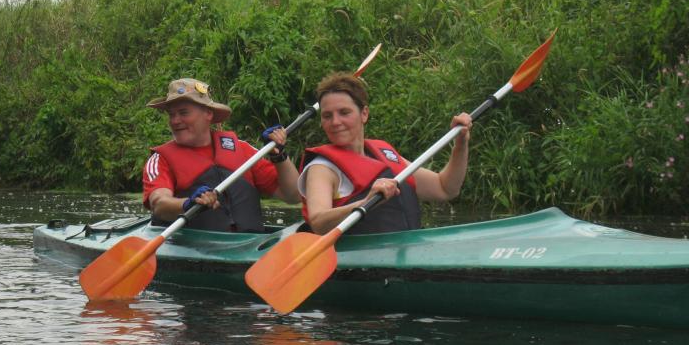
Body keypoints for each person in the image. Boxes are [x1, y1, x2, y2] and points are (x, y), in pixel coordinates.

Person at [298, 72, 473, 235]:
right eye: (327, 116)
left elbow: (445, 188)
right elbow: (318, 222)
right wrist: (366, 202)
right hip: (359, 256)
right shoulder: (322, 168)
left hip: (406, 250)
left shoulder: (383, 153)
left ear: (364, 113)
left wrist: (461, 143)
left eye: (344, 112)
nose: (335, 122)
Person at [143, 78, 300, 232]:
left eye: (183, 113)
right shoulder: (160, 159)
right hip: (190, 245)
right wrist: (187, 204)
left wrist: (278, 155)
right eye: (171, 115)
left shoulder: (243, 149)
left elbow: (293, 196)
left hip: (250, 243)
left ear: (208, 113)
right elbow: (159, 203)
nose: (175, 121)